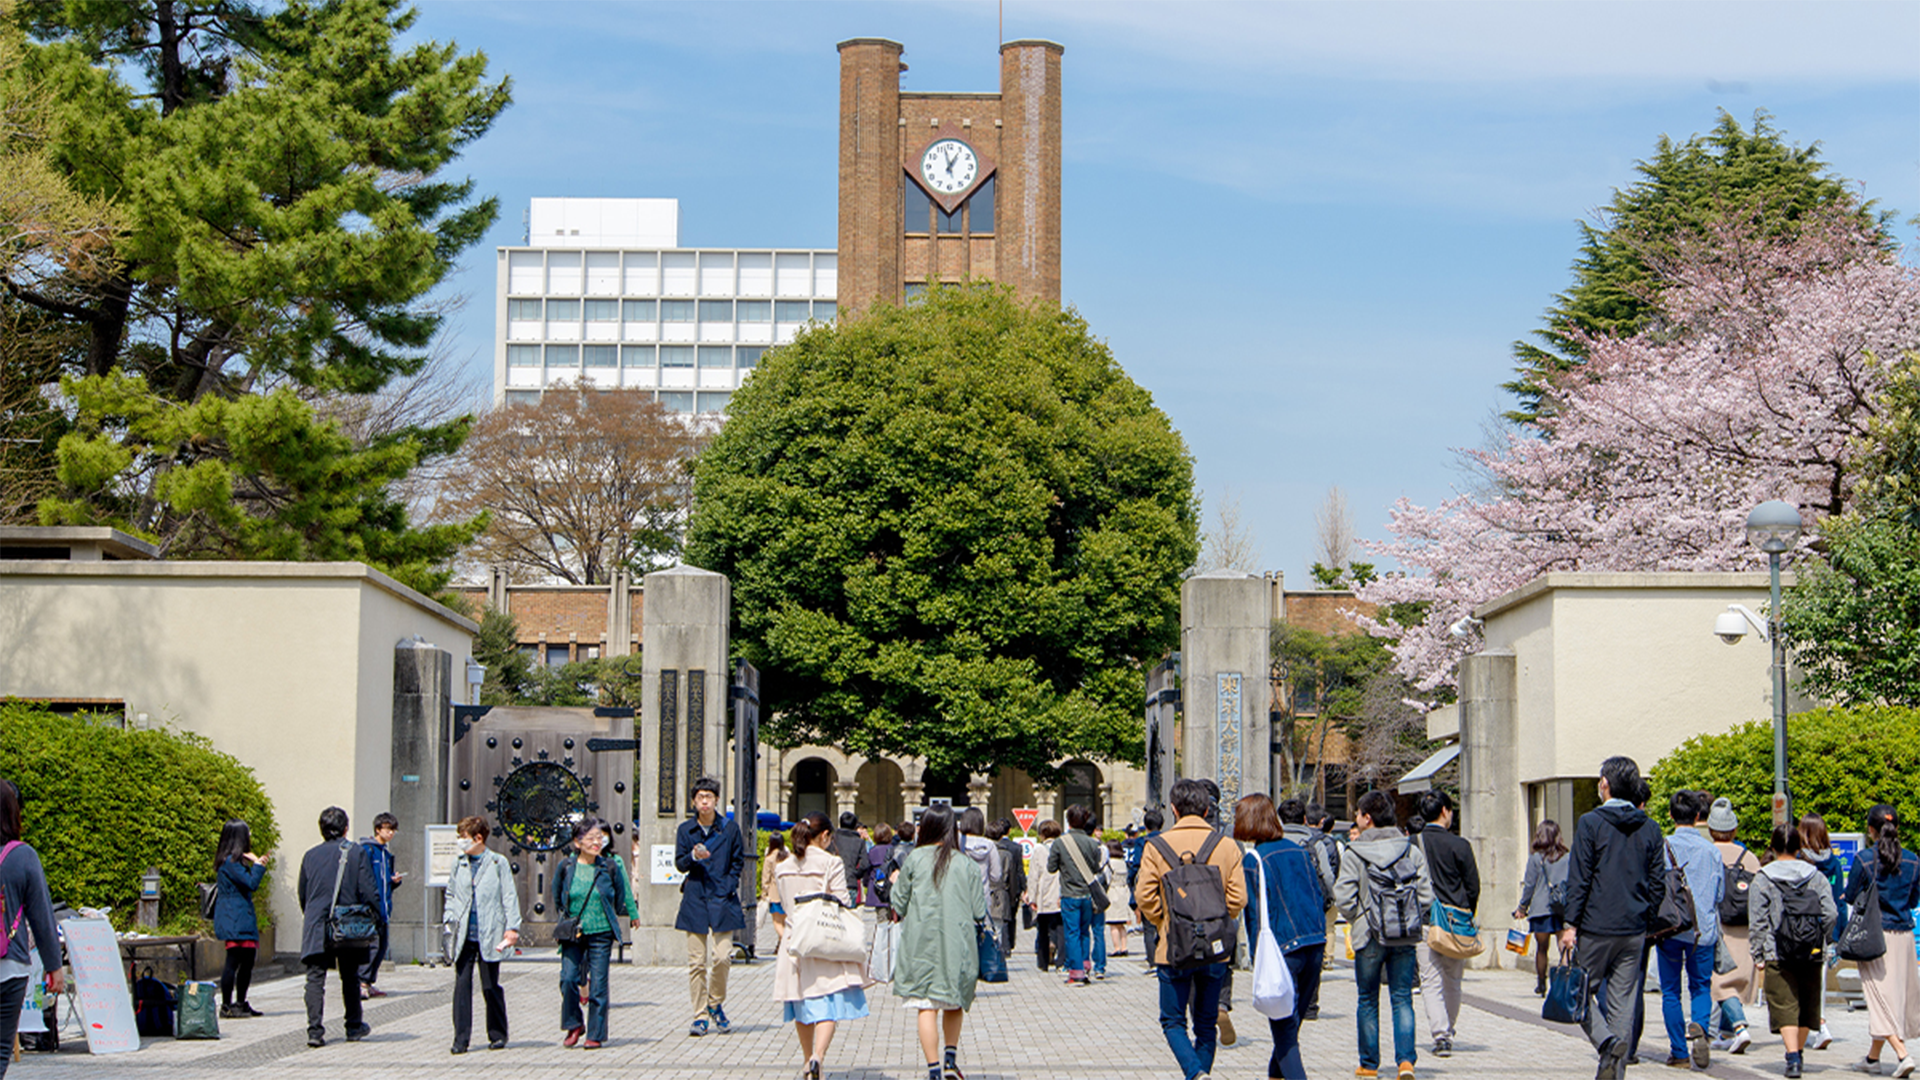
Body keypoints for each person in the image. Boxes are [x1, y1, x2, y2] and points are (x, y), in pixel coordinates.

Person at [1558, 756, 1667, 1080]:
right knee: (1623, 1003)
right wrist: (1645, 918)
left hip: (1595, 926)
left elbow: (1579, 879)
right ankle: (1614, 1073)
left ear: (1605, 784)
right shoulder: (1650, 827)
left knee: (1577, 993)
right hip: (1634, 930)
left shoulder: (1591, 823)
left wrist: (1569, 924)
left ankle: (1605, 1044)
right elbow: (1658, 883)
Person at [1138, 777, 1247, 1080]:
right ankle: (1200, 1073)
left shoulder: (1156, 846)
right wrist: (1216, 921)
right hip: (1215, 949)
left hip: (1173, 947)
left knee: (1173, 1021)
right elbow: (1238, 898)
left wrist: (1165, 922)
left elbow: (1145, 897)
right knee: (1206, 1023)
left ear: (1173, 809)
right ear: (1206, 808)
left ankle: (1195, 1074)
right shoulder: (1226, 846)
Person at [1337, 789, 1432, 1080]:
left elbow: (1343, 897)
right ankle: (1406, 1063)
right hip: (1403, 934)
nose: (1355, 819)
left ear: (1367, 818)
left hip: (1369, 936)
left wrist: (1360, 917)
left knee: (1367, 998)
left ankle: (1369, 1065)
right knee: (1402, 996)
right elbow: (1426, 896)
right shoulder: (1410, 850)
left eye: (1357, 814)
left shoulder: (1355, 852)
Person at [891, 804, 986, 1080]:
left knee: (926, 1004)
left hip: (920, 943)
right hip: (959, 944)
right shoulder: (965, 862)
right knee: (954, 1001)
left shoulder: (914, 859)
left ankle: (933, 1070)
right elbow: (979, 911)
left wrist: (897, 882)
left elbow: (899, 904)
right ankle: (949, 1060)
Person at [774, 812, 869, 1080]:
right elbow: (842, 900)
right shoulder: (831, 862)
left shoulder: (783, 865)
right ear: (825, 836)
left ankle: (807, 1062)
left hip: (795, 941)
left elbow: (782, 904)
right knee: (827, 1002)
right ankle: (819, 1056)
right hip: (824, 939)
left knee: (800, 1004)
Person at [1239, 793, 1325, 1080]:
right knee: (1291, 1026)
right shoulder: (1300, 850)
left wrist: (1255, 961)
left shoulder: (1254, 859)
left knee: (1285, 1032)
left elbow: (1254, 918)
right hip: (1314, 942)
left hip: (1282, 950)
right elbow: (1318, 895)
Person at [1749, 822, 1836, 1079]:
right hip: (1812, 950)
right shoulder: (1815, 876)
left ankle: (1792, 1056)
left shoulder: (1763, 878)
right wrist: (1823, 939)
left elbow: (1758, 921)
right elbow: (1830, 913)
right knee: (1808, 1005)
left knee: (1784, 1004)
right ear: (1800, 847)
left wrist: (1758, 954)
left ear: (1773, 848)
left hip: (1777, 950)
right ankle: (1799, 1052)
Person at [296, 805, 382, 1048]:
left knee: (315, 979)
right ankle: (354, 1026)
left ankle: (315, 1031)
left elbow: (303, 893)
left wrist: (312, 916)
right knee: (350, 976)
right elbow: (368, 889)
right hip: (347, 923)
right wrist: (377, 916)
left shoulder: (310, 855)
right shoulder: (355, 853)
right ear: (345, 829)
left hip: (316, 923)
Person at [1844, 803, 1920, 1076]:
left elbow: (1851, 895)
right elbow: (1913, 899)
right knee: (1893, 998)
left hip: (1874, 937)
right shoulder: (1913, 859)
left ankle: (1902, 1055)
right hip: (1905, 937)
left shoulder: (1865, 858)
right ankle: (1872, 1059)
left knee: (1879, 999)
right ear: (1897, 827)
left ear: (1871, 829)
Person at [1654, 789, 1723, 1070]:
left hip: (1669, 928)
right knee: (1700, 986)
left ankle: (1679, 1052)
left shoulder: (1661, 847)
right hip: (1702, 930)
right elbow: (1720, 895)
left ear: (1671, 815)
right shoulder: (1712, 851)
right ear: (1699, 816)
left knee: (1670, 991)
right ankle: (1701, 1028)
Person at [554, 816, 637, 1048]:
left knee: (598, 985)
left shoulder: (609, 866)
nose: (596, 842)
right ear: (577, 842)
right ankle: (574, 1023)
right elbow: (558, 897)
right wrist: (567, 919)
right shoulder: (567, 867)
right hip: (573, 933)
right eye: (590, 838)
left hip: (601, 933)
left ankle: (596, 1034)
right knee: (568, 978)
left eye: (598, 838)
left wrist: (624, 914)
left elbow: (620, 896)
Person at [0, 778, 63, 1080]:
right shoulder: (23, 856)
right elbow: (41, 917)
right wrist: (54, 966)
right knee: (1, 1049)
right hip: (9, 965)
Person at [443, 815, 521, 1054]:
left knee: (490, 985)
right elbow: (451, 894)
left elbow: (509, 896)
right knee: (462, 985)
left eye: (463, 838)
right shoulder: (459, 863)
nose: (460, 842)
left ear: (479, 838)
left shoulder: (498, 863)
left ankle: (498, 1034)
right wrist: (449, 919)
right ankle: (461, 1038)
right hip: (464, 932)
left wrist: (512, 927)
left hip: (490, 931)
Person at [676, 776, 746, 1037]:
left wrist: (729, 884)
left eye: (709, 797)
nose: (704, 801)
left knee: (722, 956)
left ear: (716, 800)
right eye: (700, 797)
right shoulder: (685, 830)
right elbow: (680, 863)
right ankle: (700, 1016)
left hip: (722, 897)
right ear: (694, 801)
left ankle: (714, 1002)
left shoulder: (729, 829)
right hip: (695, 897)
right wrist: (694, 856)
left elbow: (738, 860)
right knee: (696, 962)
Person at [1413, 790, 1479, 1058]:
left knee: (1429, 981)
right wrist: (1466, 914)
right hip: (1454, 922)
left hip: (1424, 921)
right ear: (1445, 811)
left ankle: (1440, 1035)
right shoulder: (1460, 845)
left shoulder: (1412, 844)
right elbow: (1473, 887)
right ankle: (1447, 1033)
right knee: (1453, 980)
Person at [1706, 796, 1761, 1054]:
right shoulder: (1748, 857)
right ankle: (1727, 1033)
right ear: (1734, 829)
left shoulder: (1707, 853)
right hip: (1746, 927)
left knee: (1720, 982)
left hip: (1718, 926)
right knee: (1737, 979)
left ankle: (1739, 1027)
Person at [212, 819, 271, 1018]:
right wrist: (258, 865)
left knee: (247, 961)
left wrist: (256, 863)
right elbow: (251, 883)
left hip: (240, 915)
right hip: (234, 916)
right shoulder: (230, 862)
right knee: (234, 960)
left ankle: (240, 1002)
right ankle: (227, 1005)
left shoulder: (233, 862)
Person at [1798, 814, 1845, 1052]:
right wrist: (1838, 934)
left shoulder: (1800, 860)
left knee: (1800, 981)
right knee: (1820, 982)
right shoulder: (1834, 864)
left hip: (1801, 929)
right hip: (1826, 929)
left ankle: (1819, 1026)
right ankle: (1816, 1025)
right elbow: (1839, 901)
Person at [1048, 803, 1109, 984]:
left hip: (1069, 894)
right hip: (1088, 895)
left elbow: (1051, 867)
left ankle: (1076, 972)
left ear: (1068, 821)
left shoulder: (1060, 842)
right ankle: (1085, 964)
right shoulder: (1093, 843)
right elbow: (1095, 868)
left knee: (1072, 933)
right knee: (1085, 932)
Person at [1515, 819, 1571, 996]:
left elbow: (1529, 885)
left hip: (1540, 909)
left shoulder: (1535, 859)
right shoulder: (1567, 856)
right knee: (1564, 947)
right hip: (1561, 907)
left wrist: (1522, 907)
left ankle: (1541, 984)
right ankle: (1565, 981)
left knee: (1542, 949)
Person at [358, 811, 403, 999]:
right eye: (388, 829)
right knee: (372, 946)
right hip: (370, 909)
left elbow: (385, 882)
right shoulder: (367, 850)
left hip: (384, 908)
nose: (391, 833)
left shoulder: (386, 853)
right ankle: (361, 983)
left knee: (382, 946)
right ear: (378, 830)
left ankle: (368, 982)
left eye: (394, 830)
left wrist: (395, 882)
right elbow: (364, 880)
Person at [1127, 808, 1168, 967]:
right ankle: (1165, 955)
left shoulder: (1142, 842)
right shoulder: (1167, 839)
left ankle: (1153, 962)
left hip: (1148, 885)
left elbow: (1136, 865)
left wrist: (1131, 882)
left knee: (1149, 926)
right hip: (1165, 885)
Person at [956, 807, 1003, 935]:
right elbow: (996, 876)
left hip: (960, 899)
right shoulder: (989, 845)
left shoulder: (958, 842)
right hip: (982, 899)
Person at [1026, 819, 1065, 970]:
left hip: (1044, 892)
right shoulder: (1063, 846)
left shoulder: (1039, 849)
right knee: (1061, 928)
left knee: (1042, 929)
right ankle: (1061, 961)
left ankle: (1043, 962)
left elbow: (1034, 875)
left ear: (1042, 834)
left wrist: (1032, 897)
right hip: (1061, 890)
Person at [989, 818, 1026, 951]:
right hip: (1008, 888)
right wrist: (1023, 889)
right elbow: (1019, 871)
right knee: (1009, 918)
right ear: (1009, 831)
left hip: (991, 890)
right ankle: (1008, 943)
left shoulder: (987, 850)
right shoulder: (1016, 848)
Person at [834, 812, 870, 907]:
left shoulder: (833, 839)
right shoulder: (859, 842)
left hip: (833, 882)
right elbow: (864, 864)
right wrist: (855, 874)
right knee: (849, 916)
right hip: (851, 882)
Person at [762, 831, 791, 943]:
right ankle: (781, 944)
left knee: (777, 922)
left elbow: (766, 877)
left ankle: (786, 941)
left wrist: (764, 893)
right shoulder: (787, 857)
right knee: (785, 921)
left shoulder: (769, 858)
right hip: (787, 892)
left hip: (774, 893)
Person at [1105, 840, 1131, 957]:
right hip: (1123, 891)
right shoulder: (1123, 862)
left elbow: (1106, 879)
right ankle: (1124, 947)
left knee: (1113, 923)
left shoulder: (1109, 863)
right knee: (1122, 924)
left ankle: (1116, 948)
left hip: (1113, 891)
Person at [866, 823, 897, 912]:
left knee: (881, 917)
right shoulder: (893, 849)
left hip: (877, 887)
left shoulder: (872, 851)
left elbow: (868, 869)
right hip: (891, 885)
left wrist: (866, 883)